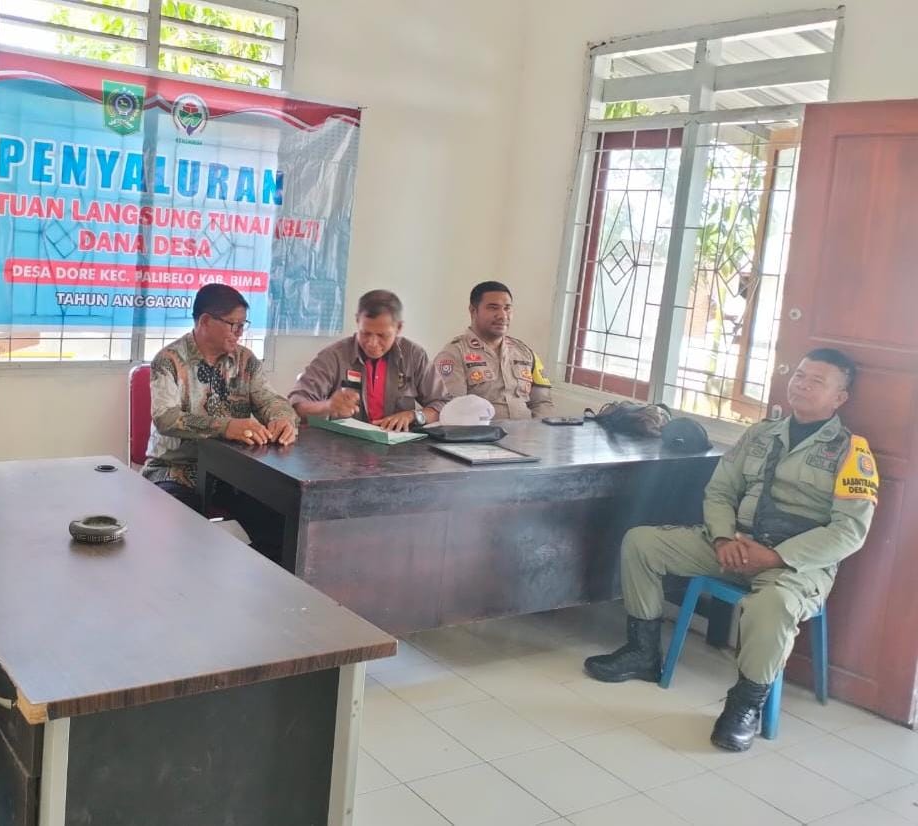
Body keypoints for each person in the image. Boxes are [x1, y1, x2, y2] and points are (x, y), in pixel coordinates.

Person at [584, 348, 878, 752]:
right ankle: (642, 652)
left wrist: (776, 556)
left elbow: (850, 531)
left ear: (839, 397)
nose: (802, 385)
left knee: (773, 604)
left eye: (817, 381)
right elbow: (720, 490)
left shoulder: (851, 453)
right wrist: (723, 538)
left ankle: (745, 705)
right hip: (735, 545)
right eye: (799, 375)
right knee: (642, 543)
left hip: (794, 564)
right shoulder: (760, 434)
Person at [142, 284, 299, 510]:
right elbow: (165, 418)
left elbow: (270, 400)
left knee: (279, 512)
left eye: (243, 325)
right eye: (234, 325)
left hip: (232, 472)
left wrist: (282, 419)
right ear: (205, 321)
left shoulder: (246, 360)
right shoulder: (169, 360)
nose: (240, 333)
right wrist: (225, 427)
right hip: (176, 471)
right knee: (182, 519)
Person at [289, 289, 450, 431]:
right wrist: (328, 406)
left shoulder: (414, 355)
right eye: (365, 333)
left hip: (399, 450)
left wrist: (414, 416)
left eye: (382, 335)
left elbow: (443, 405)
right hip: (342, 450)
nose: (372, 343)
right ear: (357, 321)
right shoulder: (334, 356)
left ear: (399, 328)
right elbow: (295, 405)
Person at [433, 281, 555, 419]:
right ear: (473, 311)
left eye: (507, 308)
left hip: (527, 431)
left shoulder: (525, 352)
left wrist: (538, 430)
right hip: (482, 432)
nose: (502, 316)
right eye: (493, 308)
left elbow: (542, 403)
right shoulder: (453, 354)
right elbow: (453, 410)